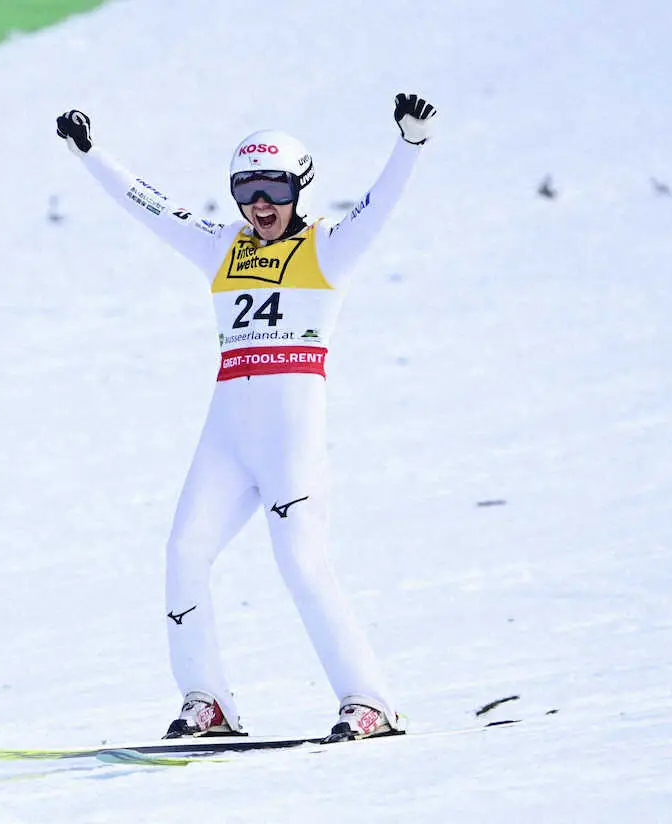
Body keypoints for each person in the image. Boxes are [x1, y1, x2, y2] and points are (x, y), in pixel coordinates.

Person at [57, 93, 437, 742]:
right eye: (247, 189)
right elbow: (147, 204)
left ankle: (370, 702)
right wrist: (89, 154)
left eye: (275, 188)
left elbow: (382, 203)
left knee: (302, 564)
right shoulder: (220, 248)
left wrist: (409, 143)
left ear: (301, 188)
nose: (261, 203)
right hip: (228, 432)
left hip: (291, 434)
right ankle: (208, 702)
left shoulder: (329, 249)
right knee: (184, 552)